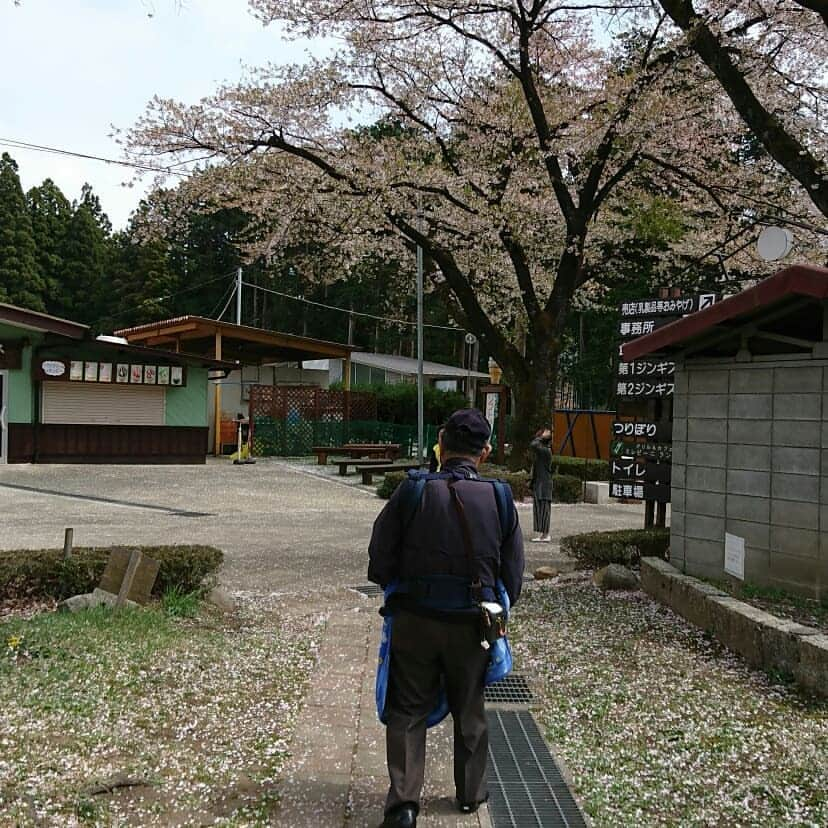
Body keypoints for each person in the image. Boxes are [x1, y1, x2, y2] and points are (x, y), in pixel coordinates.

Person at [368, 409, 525, 828]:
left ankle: (403, 804)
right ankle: (471, 795)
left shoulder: (413, 489)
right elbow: (513, 576)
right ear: (485, 452)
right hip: (473, 623)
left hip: (415, 618)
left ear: (441, 442)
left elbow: (379, 560)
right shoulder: (499, 496)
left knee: (407, 708)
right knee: (470, 706)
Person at [530, 427, 554, 542]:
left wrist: (542, 436)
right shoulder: (543, 451)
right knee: (540, 509)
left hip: (544, 485)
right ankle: (543, 534)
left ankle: (546, 534)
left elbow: (533, 444)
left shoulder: (545, 451)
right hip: (540, 483)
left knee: (544, 509)